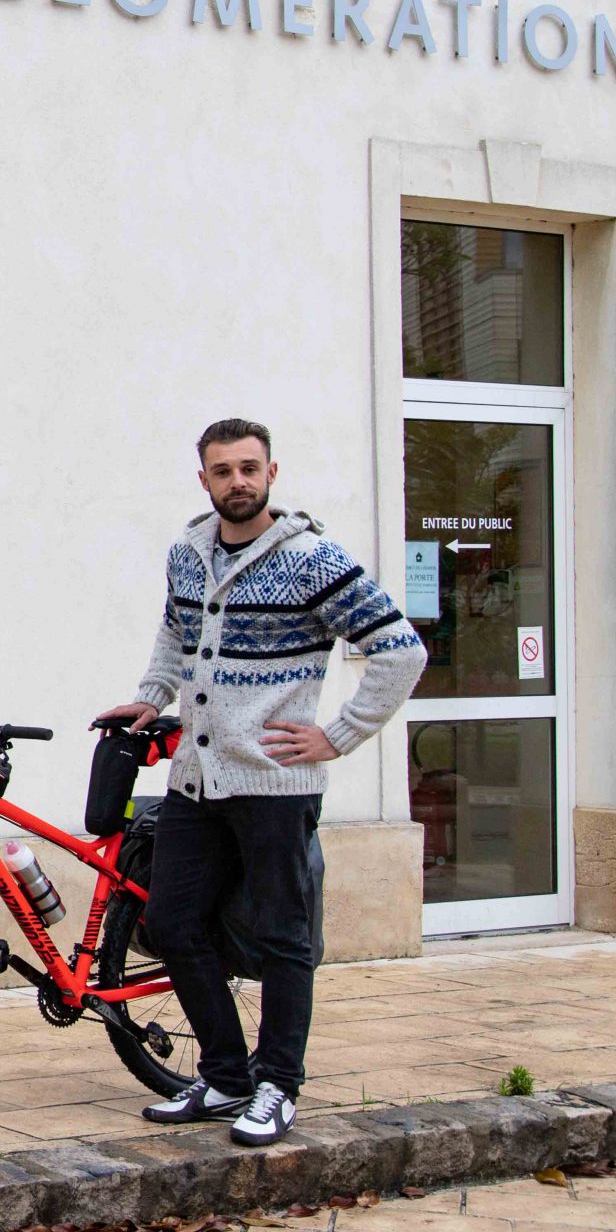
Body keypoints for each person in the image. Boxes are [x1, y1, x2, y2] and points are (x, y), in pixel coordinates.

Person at [98, 418, 426, 1146]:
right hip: (195, 778)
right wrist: (152, 695)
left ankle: (278, 1085)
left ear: (272, 473)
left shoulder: (311, 558)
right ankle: (225, 1075)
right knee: (172, 923)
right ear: (205, 479)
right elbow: (174, 635)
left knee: (283, 938)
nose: (237, 481)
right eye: (223, 470)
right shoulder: (187, 552)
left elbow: (400, 649)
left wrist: (338, 734)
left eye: (249, 468)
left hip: (277, 783)